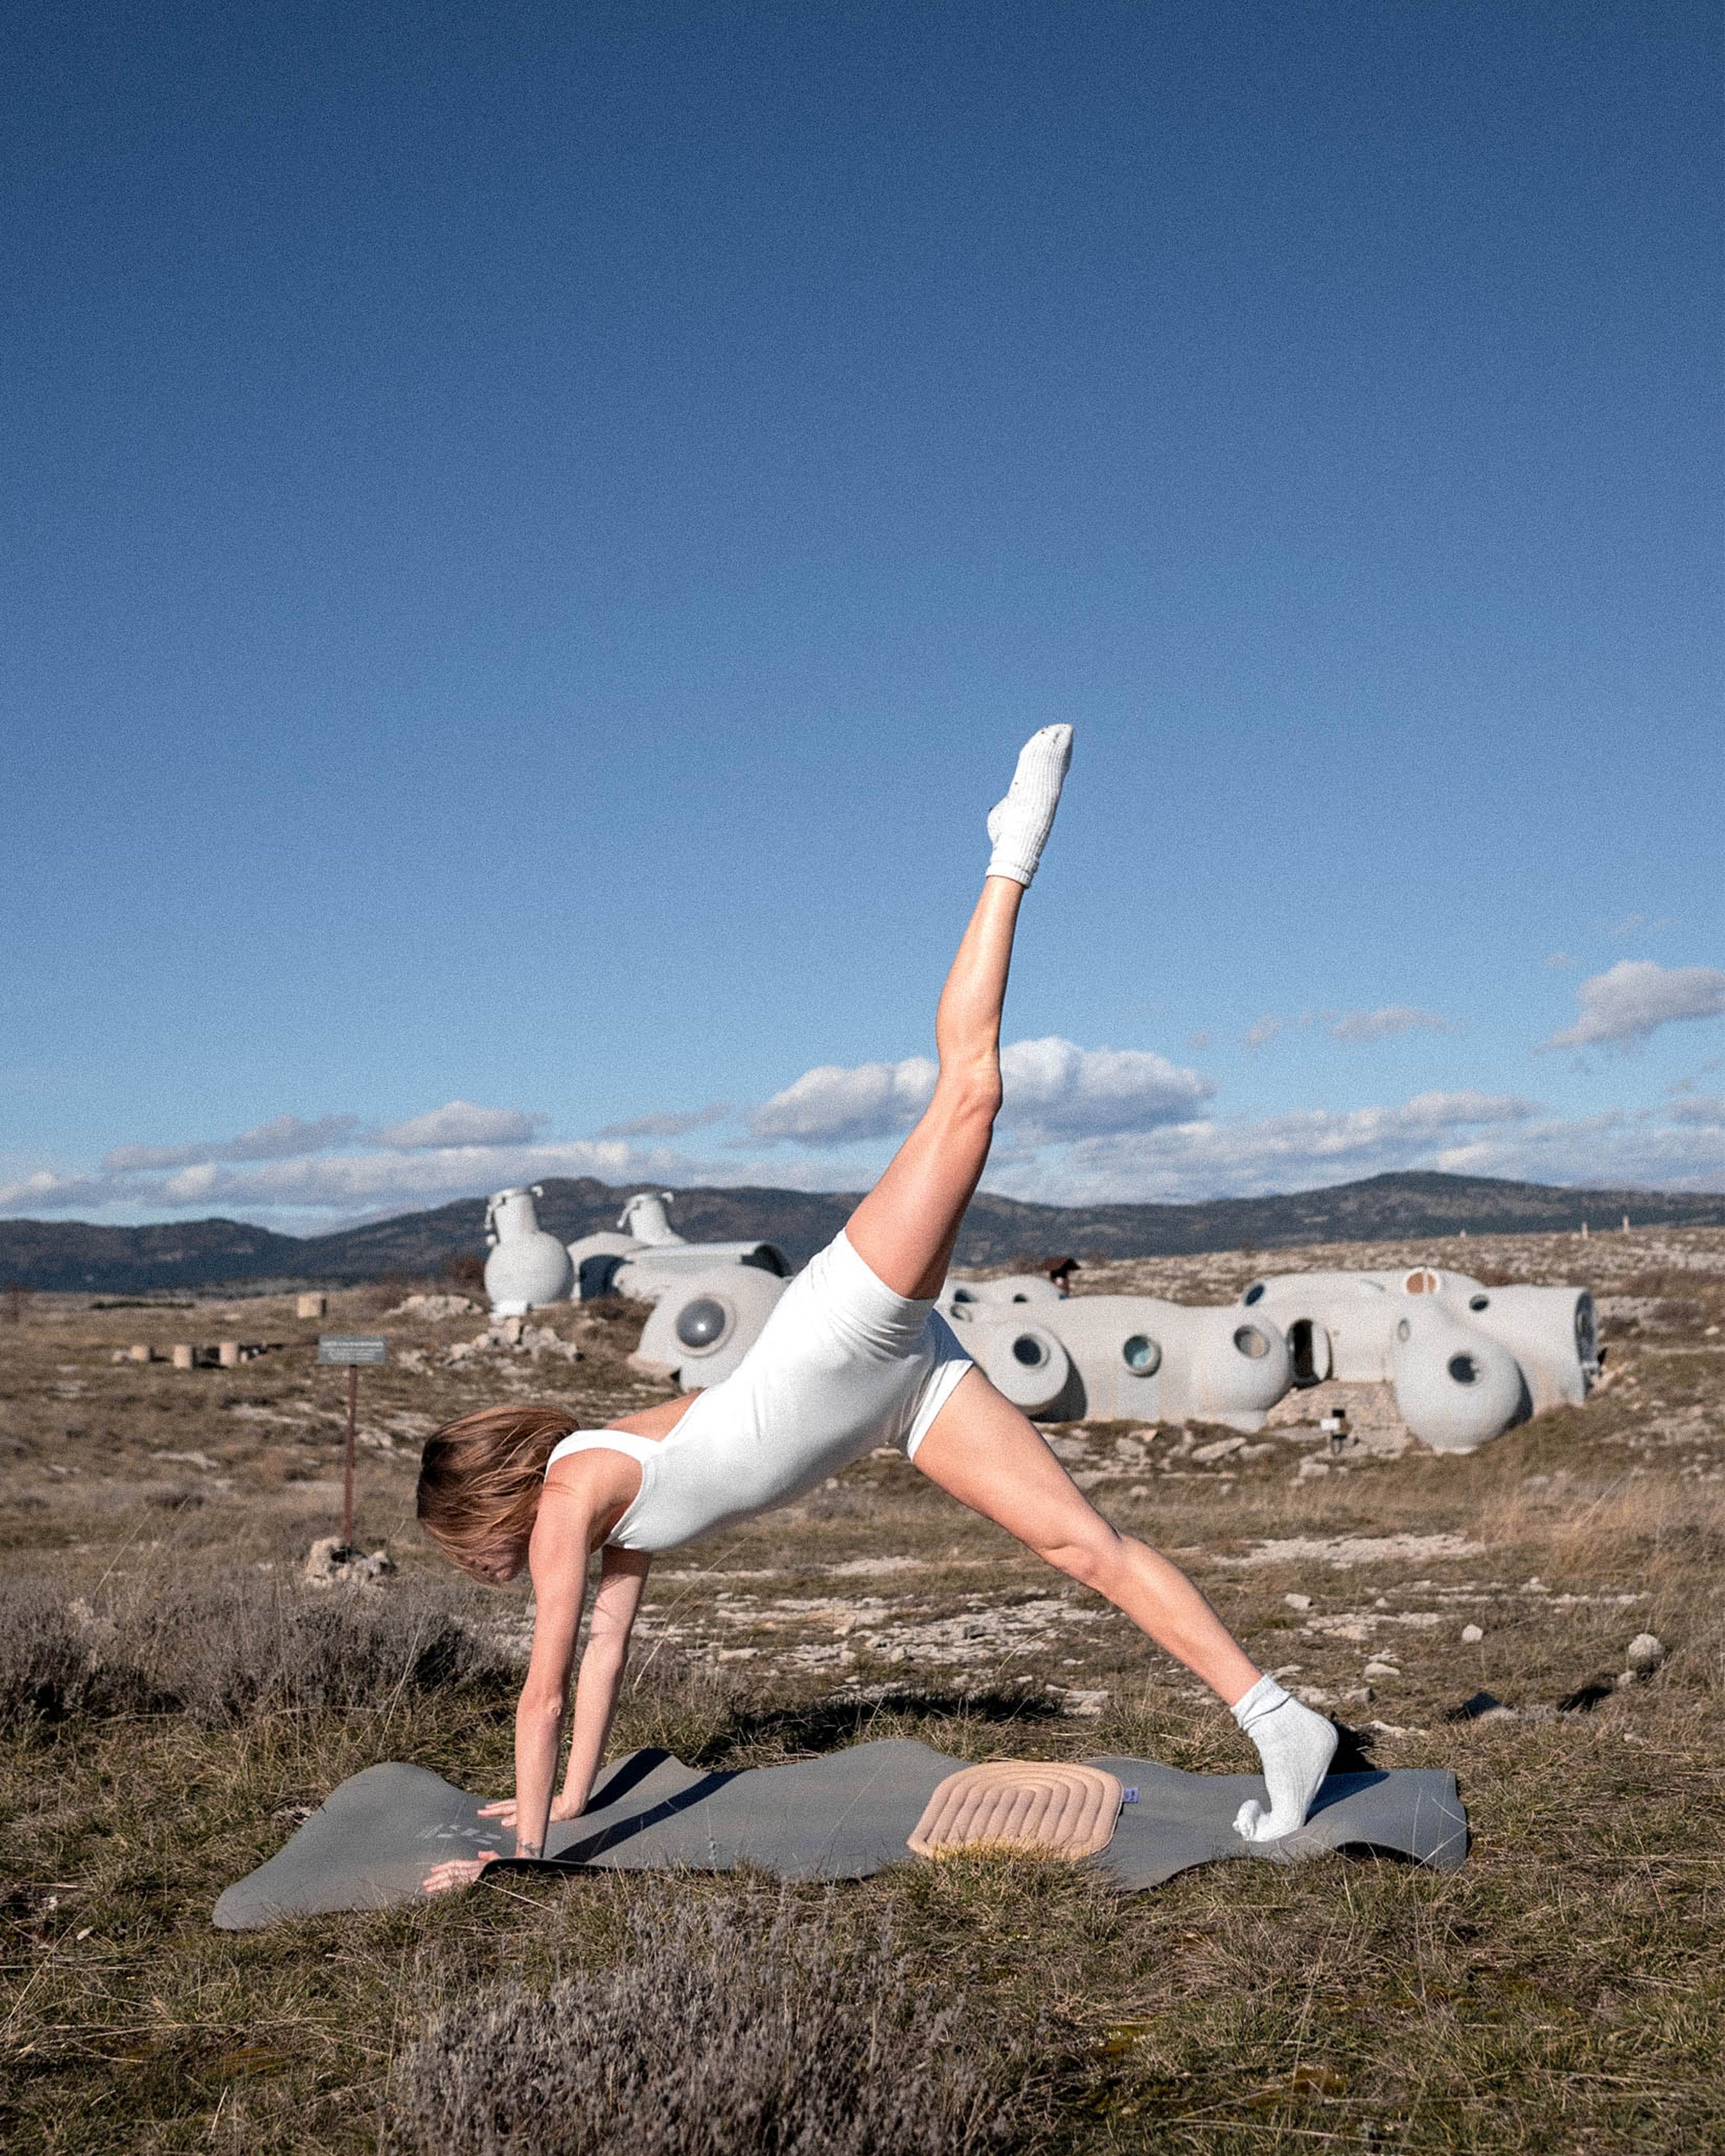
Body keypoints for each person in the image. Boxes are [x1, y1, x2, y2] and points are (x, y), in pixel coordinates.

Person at [417, 728, 1335, 1893]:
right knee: (1082, 1547)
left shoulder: (561, 1499)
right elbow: (598, 1665)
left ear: (483, 1506)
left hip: (834, 1343)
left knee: (970, 1091)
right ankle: (1281, 1721)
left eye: (466, 1550)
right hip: (891, 1402)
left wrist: (524, 1856)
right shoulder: (604, 1518)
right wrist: (561, 1800)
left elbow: (540, 1685)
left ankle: (1012, 853)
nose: (481, 1569)